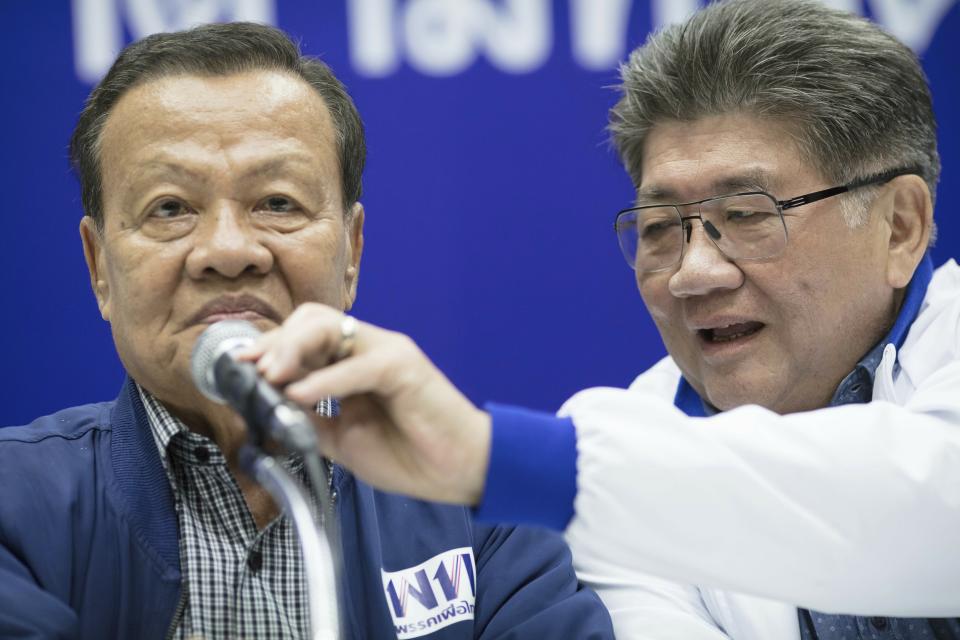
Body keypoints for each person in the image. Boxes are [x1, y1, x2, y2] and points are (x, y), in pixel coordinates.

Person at [235, 1, 960, 638]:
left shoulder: (578, 470)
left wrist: (503, 457)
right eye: (659, 228)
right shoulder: (621, 449)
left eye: (747, 216)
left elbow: (929, 506)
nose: (694, 272)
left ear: (899, 227)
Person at [0, 22, 615, 640]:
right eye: (170, 207)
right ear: (99, 266)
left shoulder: (482, 509)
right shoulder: (14, 508)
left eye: (277, 203)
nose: (228, 250)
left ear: (351, 252)